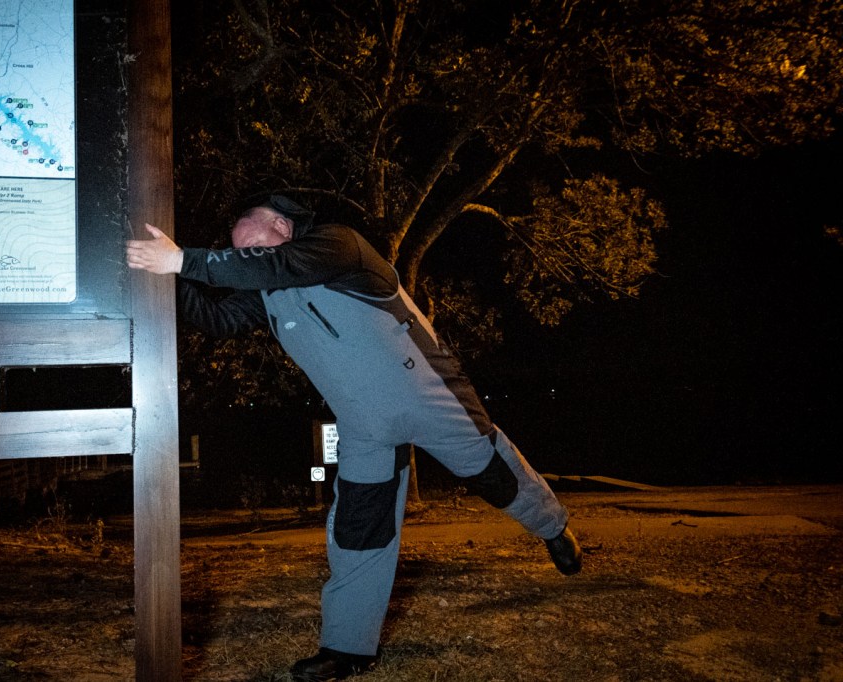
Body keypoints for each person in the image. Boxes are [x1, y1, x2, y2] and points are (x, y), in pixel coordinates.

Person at [126, 195, 582, 681]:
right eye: (238, 253)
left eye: (250, 247)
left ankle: (553, 527)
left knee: (496, 476)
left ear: (282, 225)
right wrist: (166, 275)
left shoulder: (339, 245)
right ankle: (347, 649)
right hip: (363, 427)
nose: (244, 259)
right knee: (359, 530)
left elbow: (275, 264)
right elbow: (218, 318)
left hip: (429, 397)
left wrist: (182, 259)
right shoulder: (269, 291)